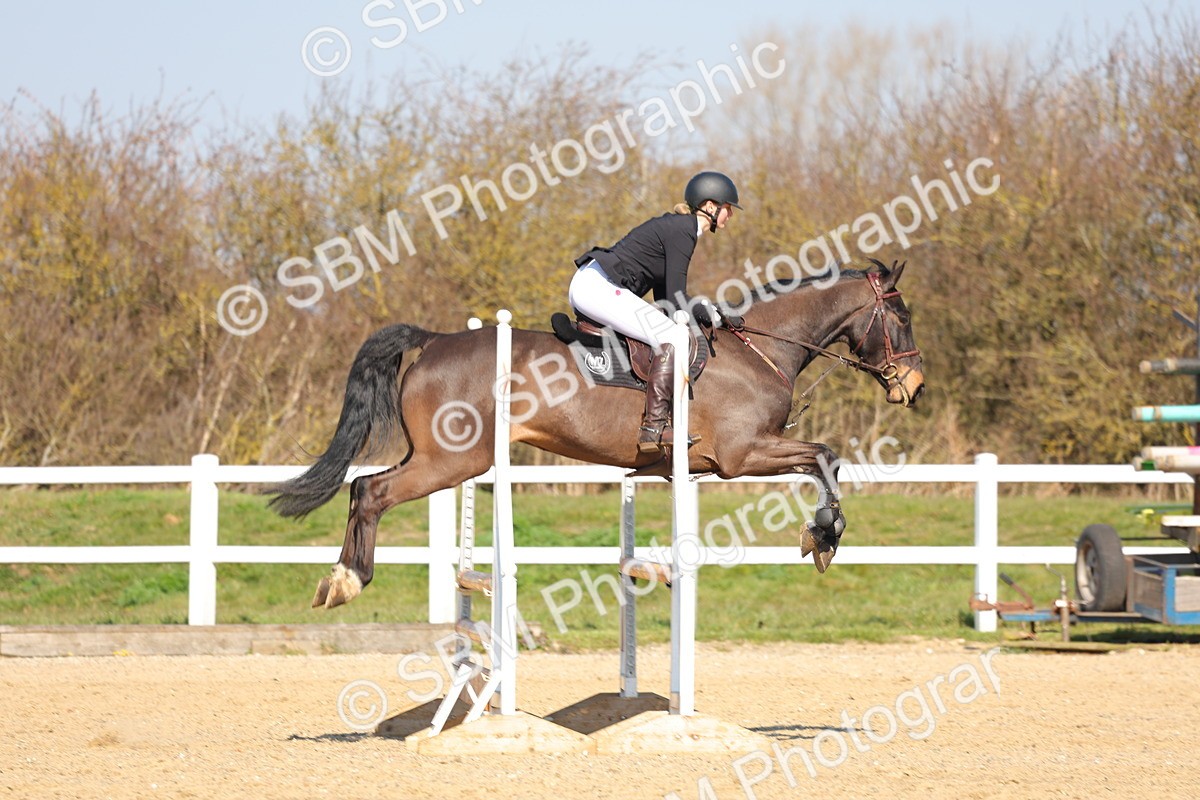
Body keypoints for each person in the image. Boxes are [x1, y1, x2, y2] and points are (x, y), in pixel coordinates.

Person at [569, 170, 745, 453]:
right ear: (710, 207)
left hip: (592, 283)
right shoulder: (683, 231)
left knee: (670, 330)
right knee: (675, 338)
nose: (730, 216)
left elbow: (665, 300)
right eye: (728, 209)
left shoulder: (679, 228)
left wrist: (708, 311)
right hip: (598, 287)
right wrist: (710, 311)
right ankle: (654, 427)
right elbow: (677, 301)